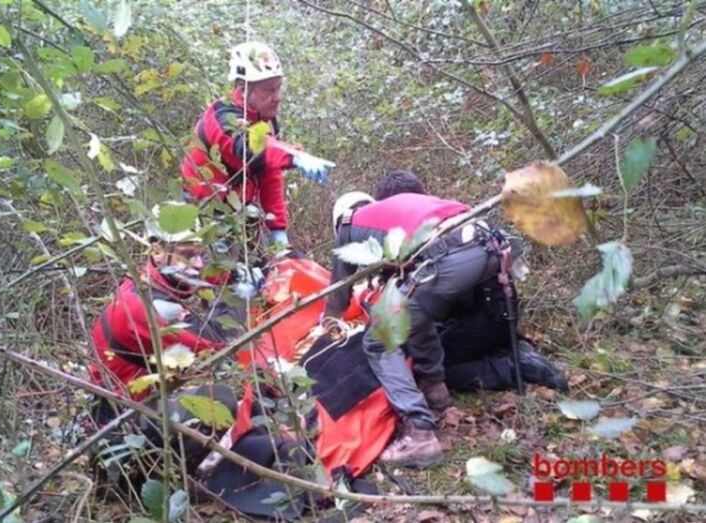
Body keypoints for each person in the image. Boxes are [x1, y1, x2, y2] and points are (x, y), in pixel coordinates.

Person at [325, 171, 566, 467]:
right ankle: (436, 393)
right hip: (488, 246)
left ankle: (420, 434)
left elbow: (338, 296)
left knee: (378, 342)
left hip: (451, 259)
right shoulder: (400, 212)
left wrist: (327, 325)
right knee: (417, 313)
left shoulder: (349, 226)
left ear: (340, 218)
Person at [88, 204, 239, 484]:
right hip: (123, 434)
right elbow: (218, 344)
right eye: (188, 255)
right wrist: (237, 297)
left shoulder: (139, 286)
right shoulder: (143, 309)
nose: (198, 264)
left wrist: (229, 275)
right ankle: (149, 480)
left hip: (127, 413)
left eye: (200, 255)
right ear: (156, 252)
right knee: (222, 399)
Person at [180, 41, 335, 247]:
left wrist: (278, 228)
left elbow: (269, 172)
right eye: (269, 90)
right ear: (244, 90)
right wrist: (293, 156)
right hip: (201, 217)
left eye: (279, 88)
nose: (277, 97)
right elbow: (250, 147)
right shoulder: (222, 117)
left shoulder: (262, 120)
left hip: (237, 215)